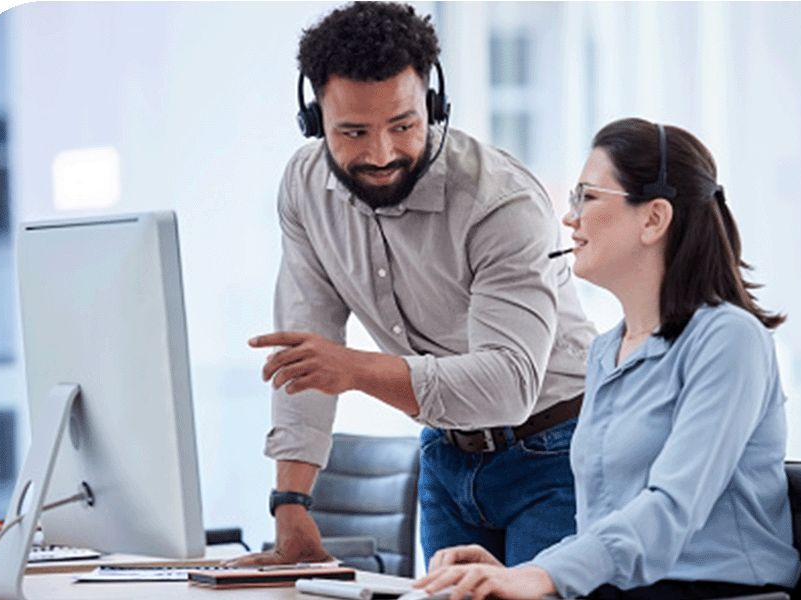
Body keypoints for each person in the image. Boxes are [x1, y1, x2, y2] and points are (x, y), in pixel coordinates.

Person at [227, 2, 595, 569]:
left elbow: (509, 383)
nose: (380, 154)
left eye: (404, 125)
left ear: (433, 103)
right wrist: (292, 502)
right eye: (352, 132)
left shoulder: (500, 201)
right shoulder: (305, 187)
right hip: (445, 455)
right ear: (313, 119)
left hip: (555, 450)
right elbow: (307, 351)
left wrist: (352, 368)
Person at [414, 118, 801, 599]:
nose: (570, 218)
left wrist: (540, 577)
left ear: (654, 218)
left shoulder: (729, 340)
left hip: (715, 591)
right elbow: (602, 525)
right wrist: (520, 569)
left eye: (588, 197)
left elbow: (672, 507)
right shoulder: (605, 352)